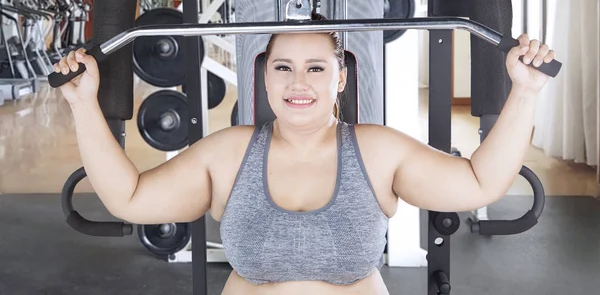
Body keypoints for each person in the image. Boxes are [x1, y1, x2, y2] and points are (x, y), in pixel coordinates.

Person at [53, 22, 555, 295]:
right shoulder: (230, 154)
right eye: (283, 67)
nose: (298, 83)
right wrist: (82, 103)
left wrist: (526, 92)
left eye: (316, 67)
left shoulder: (376, 150)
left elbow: (479, 183)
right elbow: (129, 197)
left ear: (340, 78)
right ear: (265, 76)